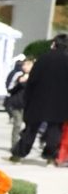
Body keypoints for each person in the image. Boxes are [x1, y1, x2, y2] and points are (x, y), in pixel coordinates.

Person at [12, 34, 68, 164]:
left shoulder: (43, 59)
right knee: (55, 130)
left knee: (31, 129)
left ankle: (19, 154)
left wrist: (27, 98)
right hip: (60, 103)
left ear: (54, 44)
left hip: (38, 100)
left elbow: (32, 81)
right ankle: (50, 156)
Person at [5, 57, 32, 152]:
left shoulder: (35, 76)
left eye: (28, 65)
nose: (25, 67)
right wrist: (19, 82)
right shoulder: (18, 75)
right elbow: (10, 88)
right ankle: (15, 146)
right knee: (17, 124)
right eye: (24, 64)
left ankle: (22, 143)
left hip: (28, 105)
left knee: (29, 126)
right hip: (16, 103)